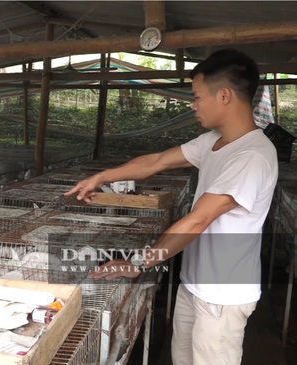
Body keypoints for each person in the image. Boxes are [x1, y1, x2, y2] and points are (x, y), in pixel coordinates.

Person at [64, 49, 278, 365]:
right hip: (195, 283)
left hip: (223, 296)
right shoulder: (215, 141)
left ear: (224, 96)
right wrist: (102, 177)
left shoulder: (251, 156)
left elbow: (196, 221)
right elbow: (157, 161)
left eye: (197, 97)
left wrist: (137, 263)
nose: (193, 105)